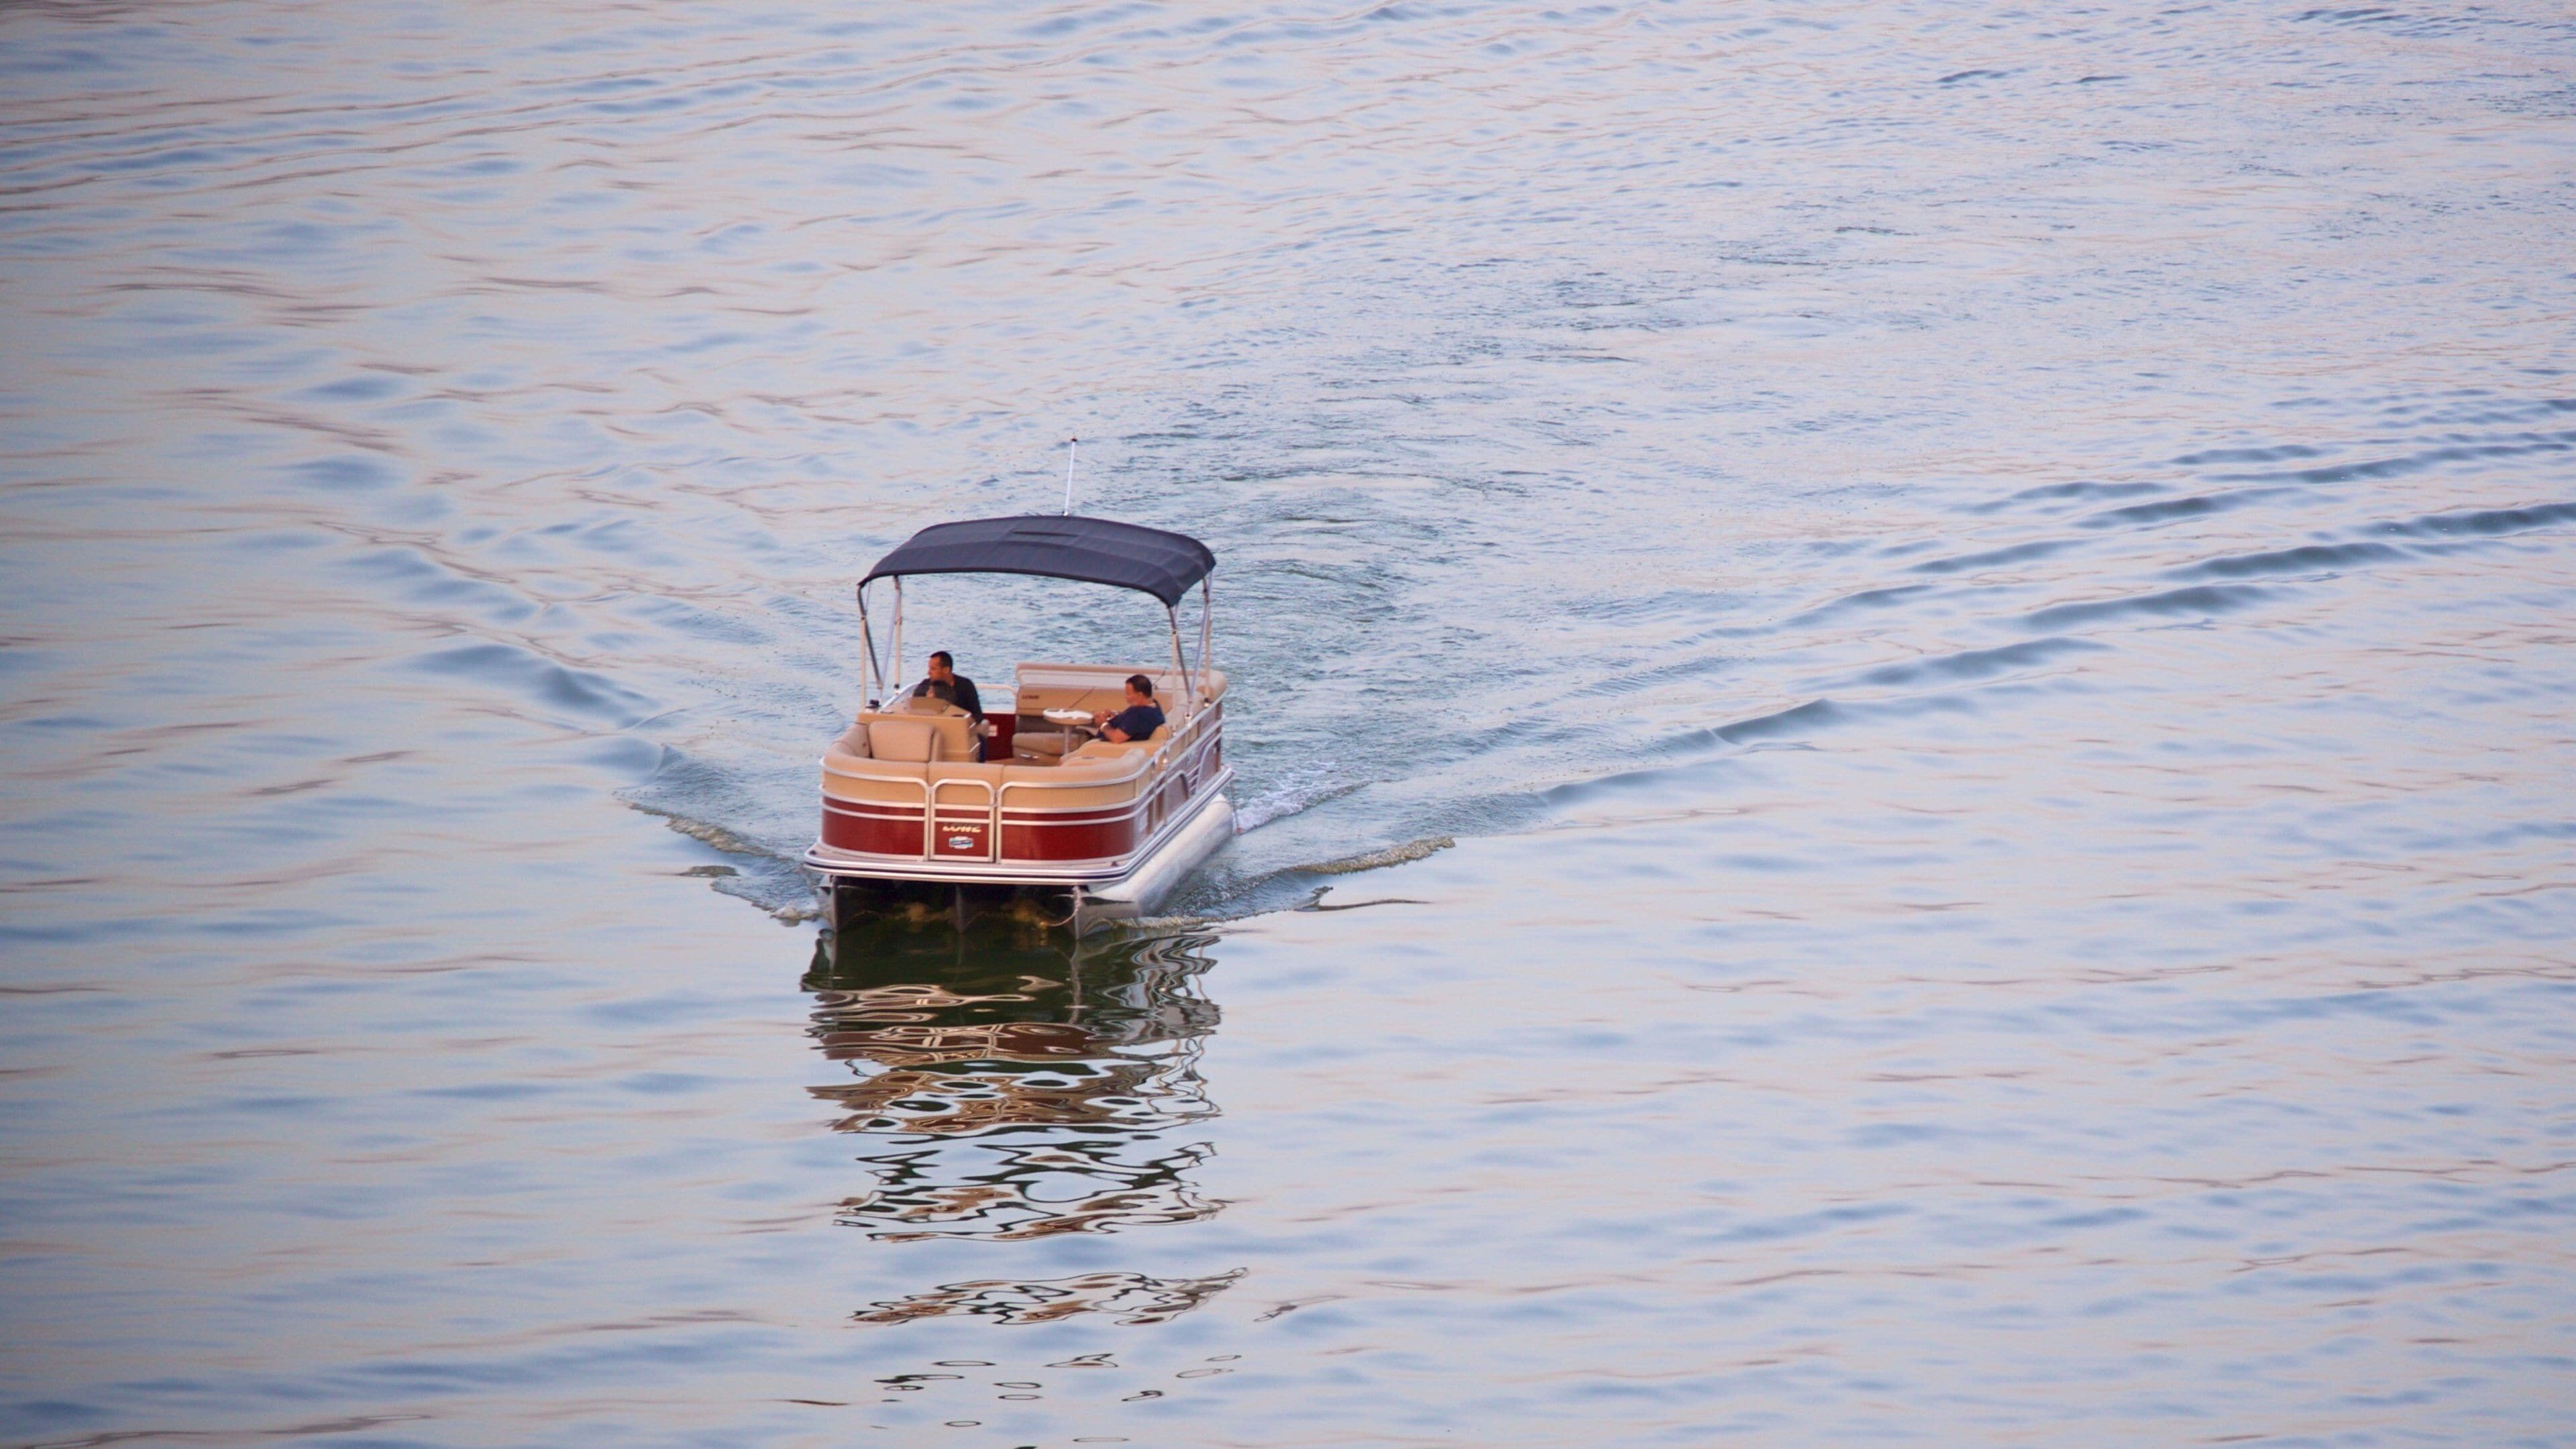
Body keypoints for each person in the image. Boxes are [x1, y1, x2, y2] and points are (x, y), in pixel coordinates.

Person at [909, 651, 986, 761]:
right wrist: (928, 702)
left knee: (980, 741)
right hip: (932, 731)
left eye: (933, 669)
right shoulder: (924, 686)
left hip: (960, 731)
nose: (929, 673)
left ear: (946, 670)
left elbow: (978, 715)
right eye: (929, 668)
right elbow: (915, 710)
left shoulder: (966, 685)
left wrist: (964, 723)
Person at [1090, 674, 1166, 743]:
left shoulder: (1138, 715)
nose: (1126, 697)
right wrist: (1116, 715)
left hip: (1101, 746)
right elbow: (1133, 725)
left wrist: (1103, 724)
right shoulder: (1154, 708)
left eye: (1128, 694)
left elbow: (1116, 738)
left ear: (1140, 695)